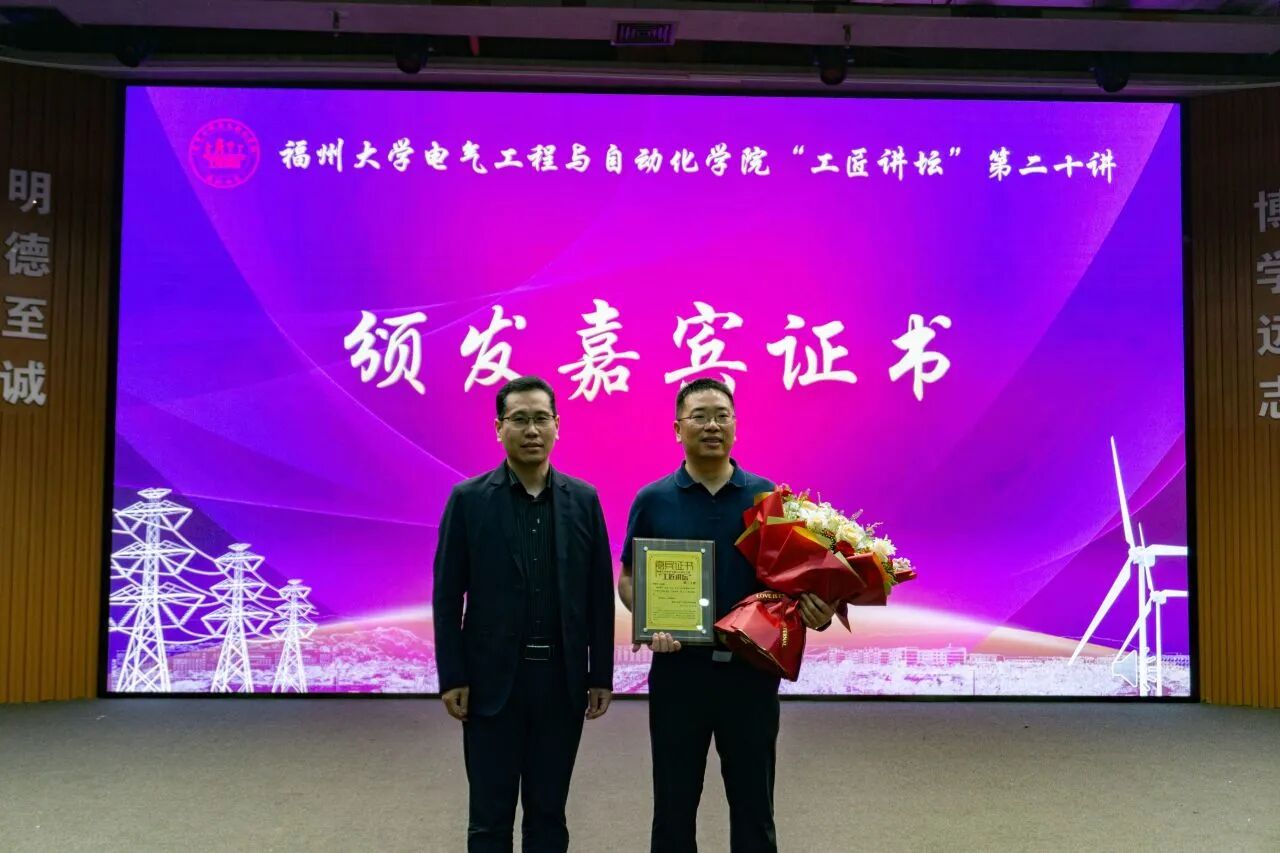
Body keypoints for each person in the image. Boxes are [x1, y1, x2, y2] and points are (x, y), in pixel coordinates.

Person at [619, 377, 836, 853]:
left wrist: (817, 610)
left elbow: (796, 582)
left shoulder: (768, 499)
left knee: (754, 808)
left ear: (736, 426)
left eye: (722, 416)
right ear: (677, 429)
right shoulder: (652, 499)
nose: (712, 425)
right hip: (679, 673)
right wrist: (651, 620)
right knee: (673, 807)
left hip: (750, 676)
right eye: (699, 416)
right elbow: (629, 579)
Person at [434, 375, 615, 853]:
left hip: (561, 682)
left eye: (541, 419)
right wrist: (453, 676)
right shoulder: (468, 500)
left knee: (548, 816)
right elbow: (447, 597)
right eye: (519, 419)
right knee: (489, 819)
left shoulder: (584, 500)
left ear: (557, 425)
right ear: (499, 428)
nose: (532, 430)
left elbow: (598, 595)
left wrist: (600, 675)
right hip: (492, 684)